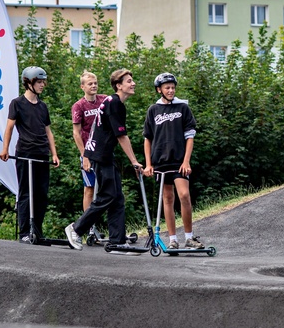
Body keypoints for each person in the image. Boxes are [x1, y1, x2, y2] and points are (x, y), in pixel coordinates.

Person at [65, 69, 143, 254]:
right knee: (107, 195)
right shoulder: (114, 104)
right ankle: (76, 229)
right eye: (129, 81)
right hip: (99, 155)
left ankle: (116, 242)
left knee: (117, 197)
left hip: (104, 154)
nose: (133, 84)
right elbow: (121, 136)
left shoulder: (111, 101)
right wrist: (134, 161)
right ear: (119, 85)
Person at [142, 72, 204, 249]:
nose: (170, 90)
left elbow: (190, 137)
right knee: (167, 198)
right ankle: (172, 239)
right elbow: (147, 138)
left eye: (173, 87)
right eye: (167, 88)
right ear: (159, 90)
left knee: (184, 195)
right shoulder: (153, 110)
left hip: (179, 160)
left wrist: (186, 161)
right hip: (160, 161)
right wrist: (148, 164)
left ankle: (189, 237)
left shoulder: (182, 108)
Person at [0, 66, 61, 242]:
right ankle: (25, 232)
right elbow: (9, 127)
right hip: (25, 153)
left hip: (42, 154)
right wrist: (5, 149)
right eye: (39, 82)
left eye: (43, 82)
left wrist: (54, 154)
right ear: (28, 83)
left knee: (41, 195)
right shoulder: (17, 103)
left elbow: (48, 132)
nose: (42, 85)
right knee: (26, 193)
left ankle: (37, 233)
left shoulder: (42, 106)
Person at [71, 71, 106, 214]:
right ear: (82, 87)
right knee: (89, 188)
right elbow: (76, 133)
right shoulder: (79, 106)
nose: (93, 86)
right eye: (90, 84)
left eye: (95, 83)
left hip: (103, 150)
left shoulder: (104, 100)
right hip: (88, 152)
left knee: (106, 188)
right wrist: (84, 155)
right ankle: (87, 222)